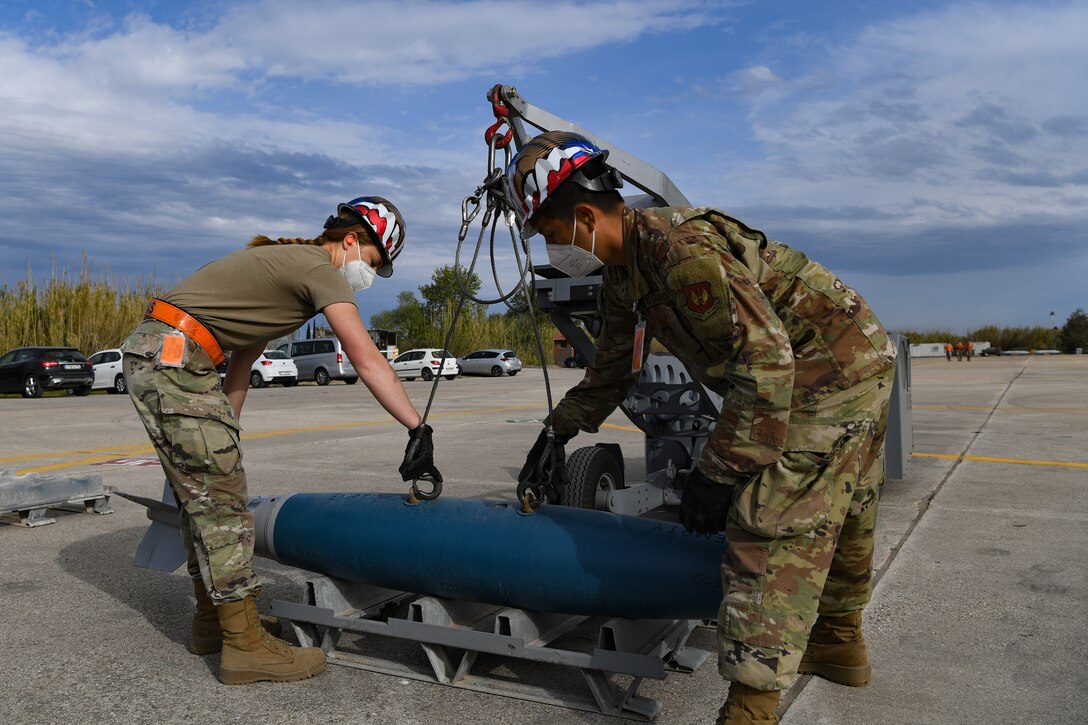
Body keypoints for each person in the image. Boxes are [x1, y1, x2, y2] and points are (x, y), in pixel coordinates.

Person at [509, 132, 896, 725]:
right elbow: (613, 367)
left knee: (771, 526)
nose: (551, 246)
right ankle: (838, 643)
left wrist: (718, 472)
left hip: (829, 369)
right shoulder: (624, 271)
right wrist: (558, 430)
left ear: (585, 215)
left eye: (551, 233)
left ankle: (751, 706)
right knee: (844, 505)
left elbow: (767, 368)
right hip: (839, 359)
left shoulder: (680, 251)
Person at [121, 196, 442, 685]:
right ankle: (245, 648)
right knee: (224, 508)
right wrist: (417, 427)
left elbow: (242, 364)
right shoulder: (321, 270)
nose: (369, 275)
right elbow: (367, 359)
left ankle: (216, 623)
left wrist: (225, 439)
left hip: (166, 355)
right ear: (351, 239)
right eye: (373, 263)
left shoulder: (281, 268)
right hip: (175, 358)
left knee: (208, 497)